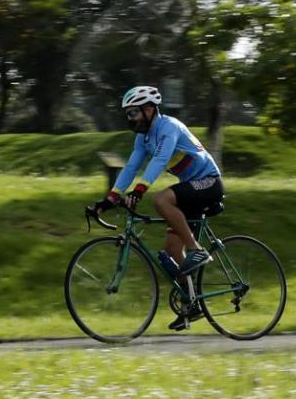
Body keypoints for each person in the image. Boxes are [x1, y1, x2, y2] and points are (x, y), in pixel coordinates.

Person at [94, 85, 224, 330]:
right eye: (128, 114)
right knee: (172, 252)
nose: (130, 119)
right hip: (191, 188)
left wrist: (140, 190)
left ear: (150, 109)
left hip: (210, 183)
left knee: (161, 200)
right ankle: (191, 307)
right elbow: (131, 168)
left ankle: (198, 250)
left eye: (134, 113)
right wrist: (110, 198)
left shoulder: (169, 128)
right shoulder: (143, 138)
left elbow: (161, 160)